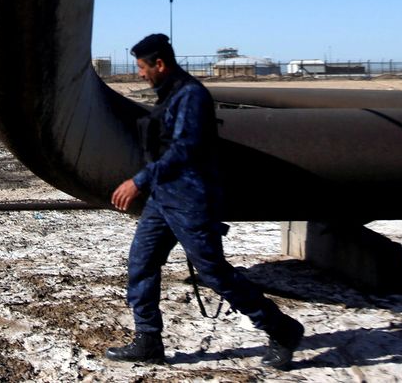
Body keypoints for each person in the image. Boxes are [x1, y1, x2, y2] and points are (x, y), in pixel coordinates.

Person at [106, 33, 305, 370]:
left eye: (142, 67)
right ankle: (148, 340)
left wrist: (138, 181)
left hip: (191, 201)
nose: (139, 74)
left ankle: (282, 330)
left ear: (160, 64)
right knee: (141, 264)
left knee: (215, 273)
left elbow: (186, 149)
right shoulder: (168, 94)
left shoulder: (191, 96)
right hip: (163, 200)